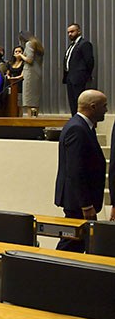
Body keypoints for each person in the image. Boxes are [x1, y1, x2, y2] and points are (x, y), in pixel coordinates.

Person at [54, 90, 107, 251]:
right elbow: (75, 170)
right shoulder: (77, 129)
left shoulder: (83, 126)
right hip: (78, 201)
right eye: (104, 106)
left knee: (78, 243)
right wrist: (86, 205)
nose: (106, 109)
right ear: (92, 107)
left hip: (80, 199)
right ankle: (52, 273)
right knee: (70, 243)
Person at [63, 23, 94, 115]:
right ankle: (74, 119)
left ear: (79, 31)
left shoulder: (84, 44)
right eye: (68, 32)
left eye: (72, 31)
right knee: (72, 103)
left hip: (79, 77)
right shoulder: (71, 46)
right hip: (70, 77)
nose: (70, 34)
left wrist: (85, 75)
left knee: (80, 102)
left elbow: (89, 61)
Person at [18, 31, 44, 117]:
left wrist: (20, 55)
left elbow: (29, 60)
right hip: (37, 72)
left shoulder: (29, 44)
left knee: (29, 98)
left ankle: (30, 119)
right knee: (35, 98)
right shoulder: (38, 44)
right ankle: (35, 117)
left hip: (30, 73)